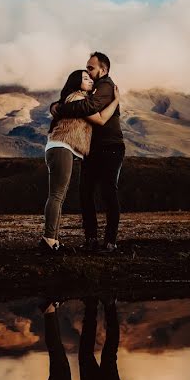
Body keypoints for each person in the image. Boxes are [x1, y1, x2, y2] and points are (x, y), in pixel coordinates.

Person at [50, 52, 125, 253]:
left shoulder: (107, 86)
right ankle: (91, 240)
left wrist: (62, 108)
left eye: (91, 68)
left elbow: (90, 107)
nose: (88, 72)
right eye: (87, 68)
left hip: (110, 146)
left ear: (104, 69)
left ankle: (110, 242)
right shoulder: (90, 90)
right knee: (86, 193)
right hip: (93, 149)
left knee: (109, 192)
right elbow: (75, 99)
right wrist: (55, 105)